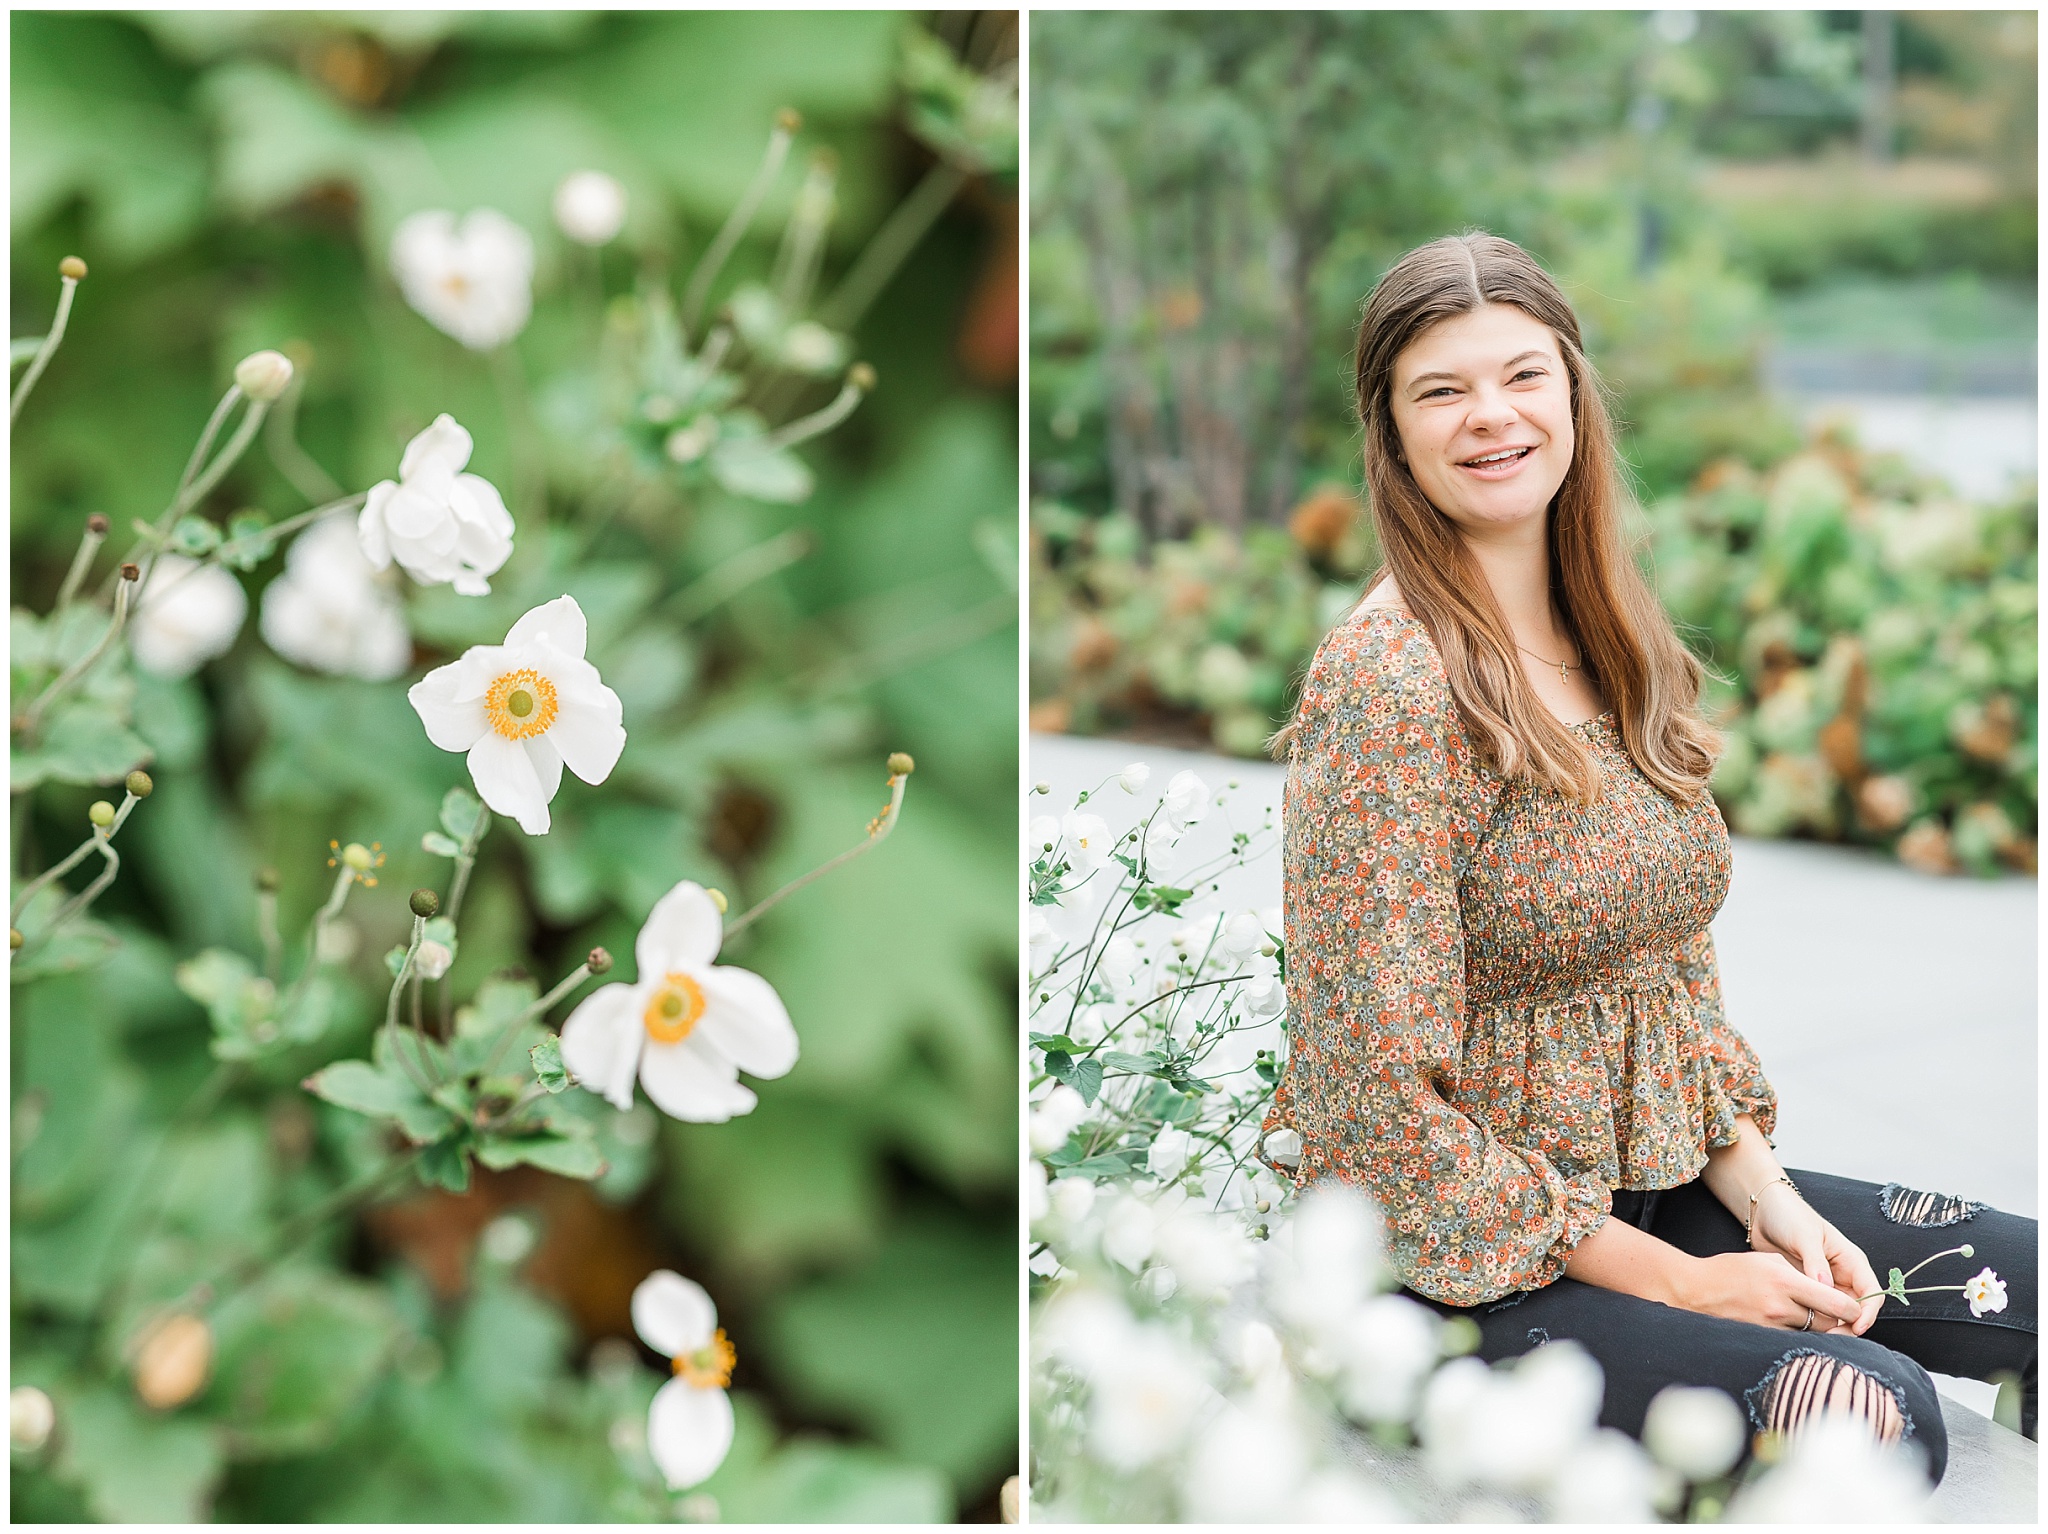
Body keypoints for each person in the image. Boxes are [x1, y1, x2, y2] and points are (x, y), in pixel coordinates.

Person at [1259, 231, 2035, 1483]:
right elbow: (1370, 1110)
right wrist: (1684, 1283)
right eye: (1439, 390)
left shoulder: (1602, 623)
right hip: (1452, 1258)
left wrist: (1769, 1207)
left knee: (2031, 1289)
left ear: (1570, 390)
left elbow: (1662, 982)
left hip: (1639, 1174)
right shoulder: (1387, 687)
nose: (1490, 417)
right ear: (1390, 432)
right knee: (1867, 1413)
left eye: (1520, 375)